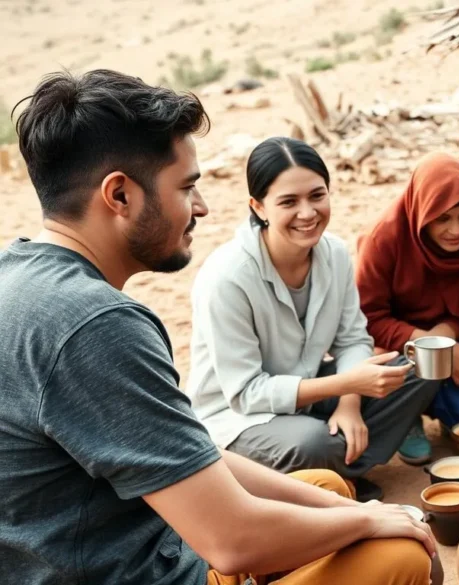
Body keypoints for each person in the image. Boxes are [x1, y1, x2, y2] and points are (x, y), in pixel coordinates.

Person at [0, 69, 436, 585]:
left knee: (329, 488)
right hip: (155, 566)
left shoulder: (21, 275)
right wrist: (371, 519)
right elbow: (231, 543)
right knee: (403, 555)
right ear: (119, 196)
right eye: (187, 187)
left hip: (150, 537)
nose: (202, 207)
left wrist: (349, 512)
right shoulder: (95, 326)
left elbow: (192, 457)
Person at [186, 137, 440, 502]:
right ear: (258, 207)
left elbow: (353, 339)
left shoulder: (334, 252)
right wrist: (344, 384)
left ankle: (328, 476)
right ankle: (323, 477)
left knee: (417, 371)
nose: (308, 213)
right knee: (313, 441)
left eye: (317, 196)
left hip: (308, 391)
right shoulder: (227, 278)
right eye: (288, 202)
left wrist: (350, 402)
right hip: (239, 416)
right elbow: (246, 393)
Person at [356, 152, 459, 448]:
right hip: (397, 337)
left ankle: (434, 404)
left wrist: (446, 340)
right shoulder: (381, 239)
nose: (457, 230)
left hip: (454, 328)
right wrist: (433, 347)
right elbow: (368, 318)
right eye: (442, 219)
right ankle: (408, 418)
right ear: (422, 212)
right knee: (392, 375)